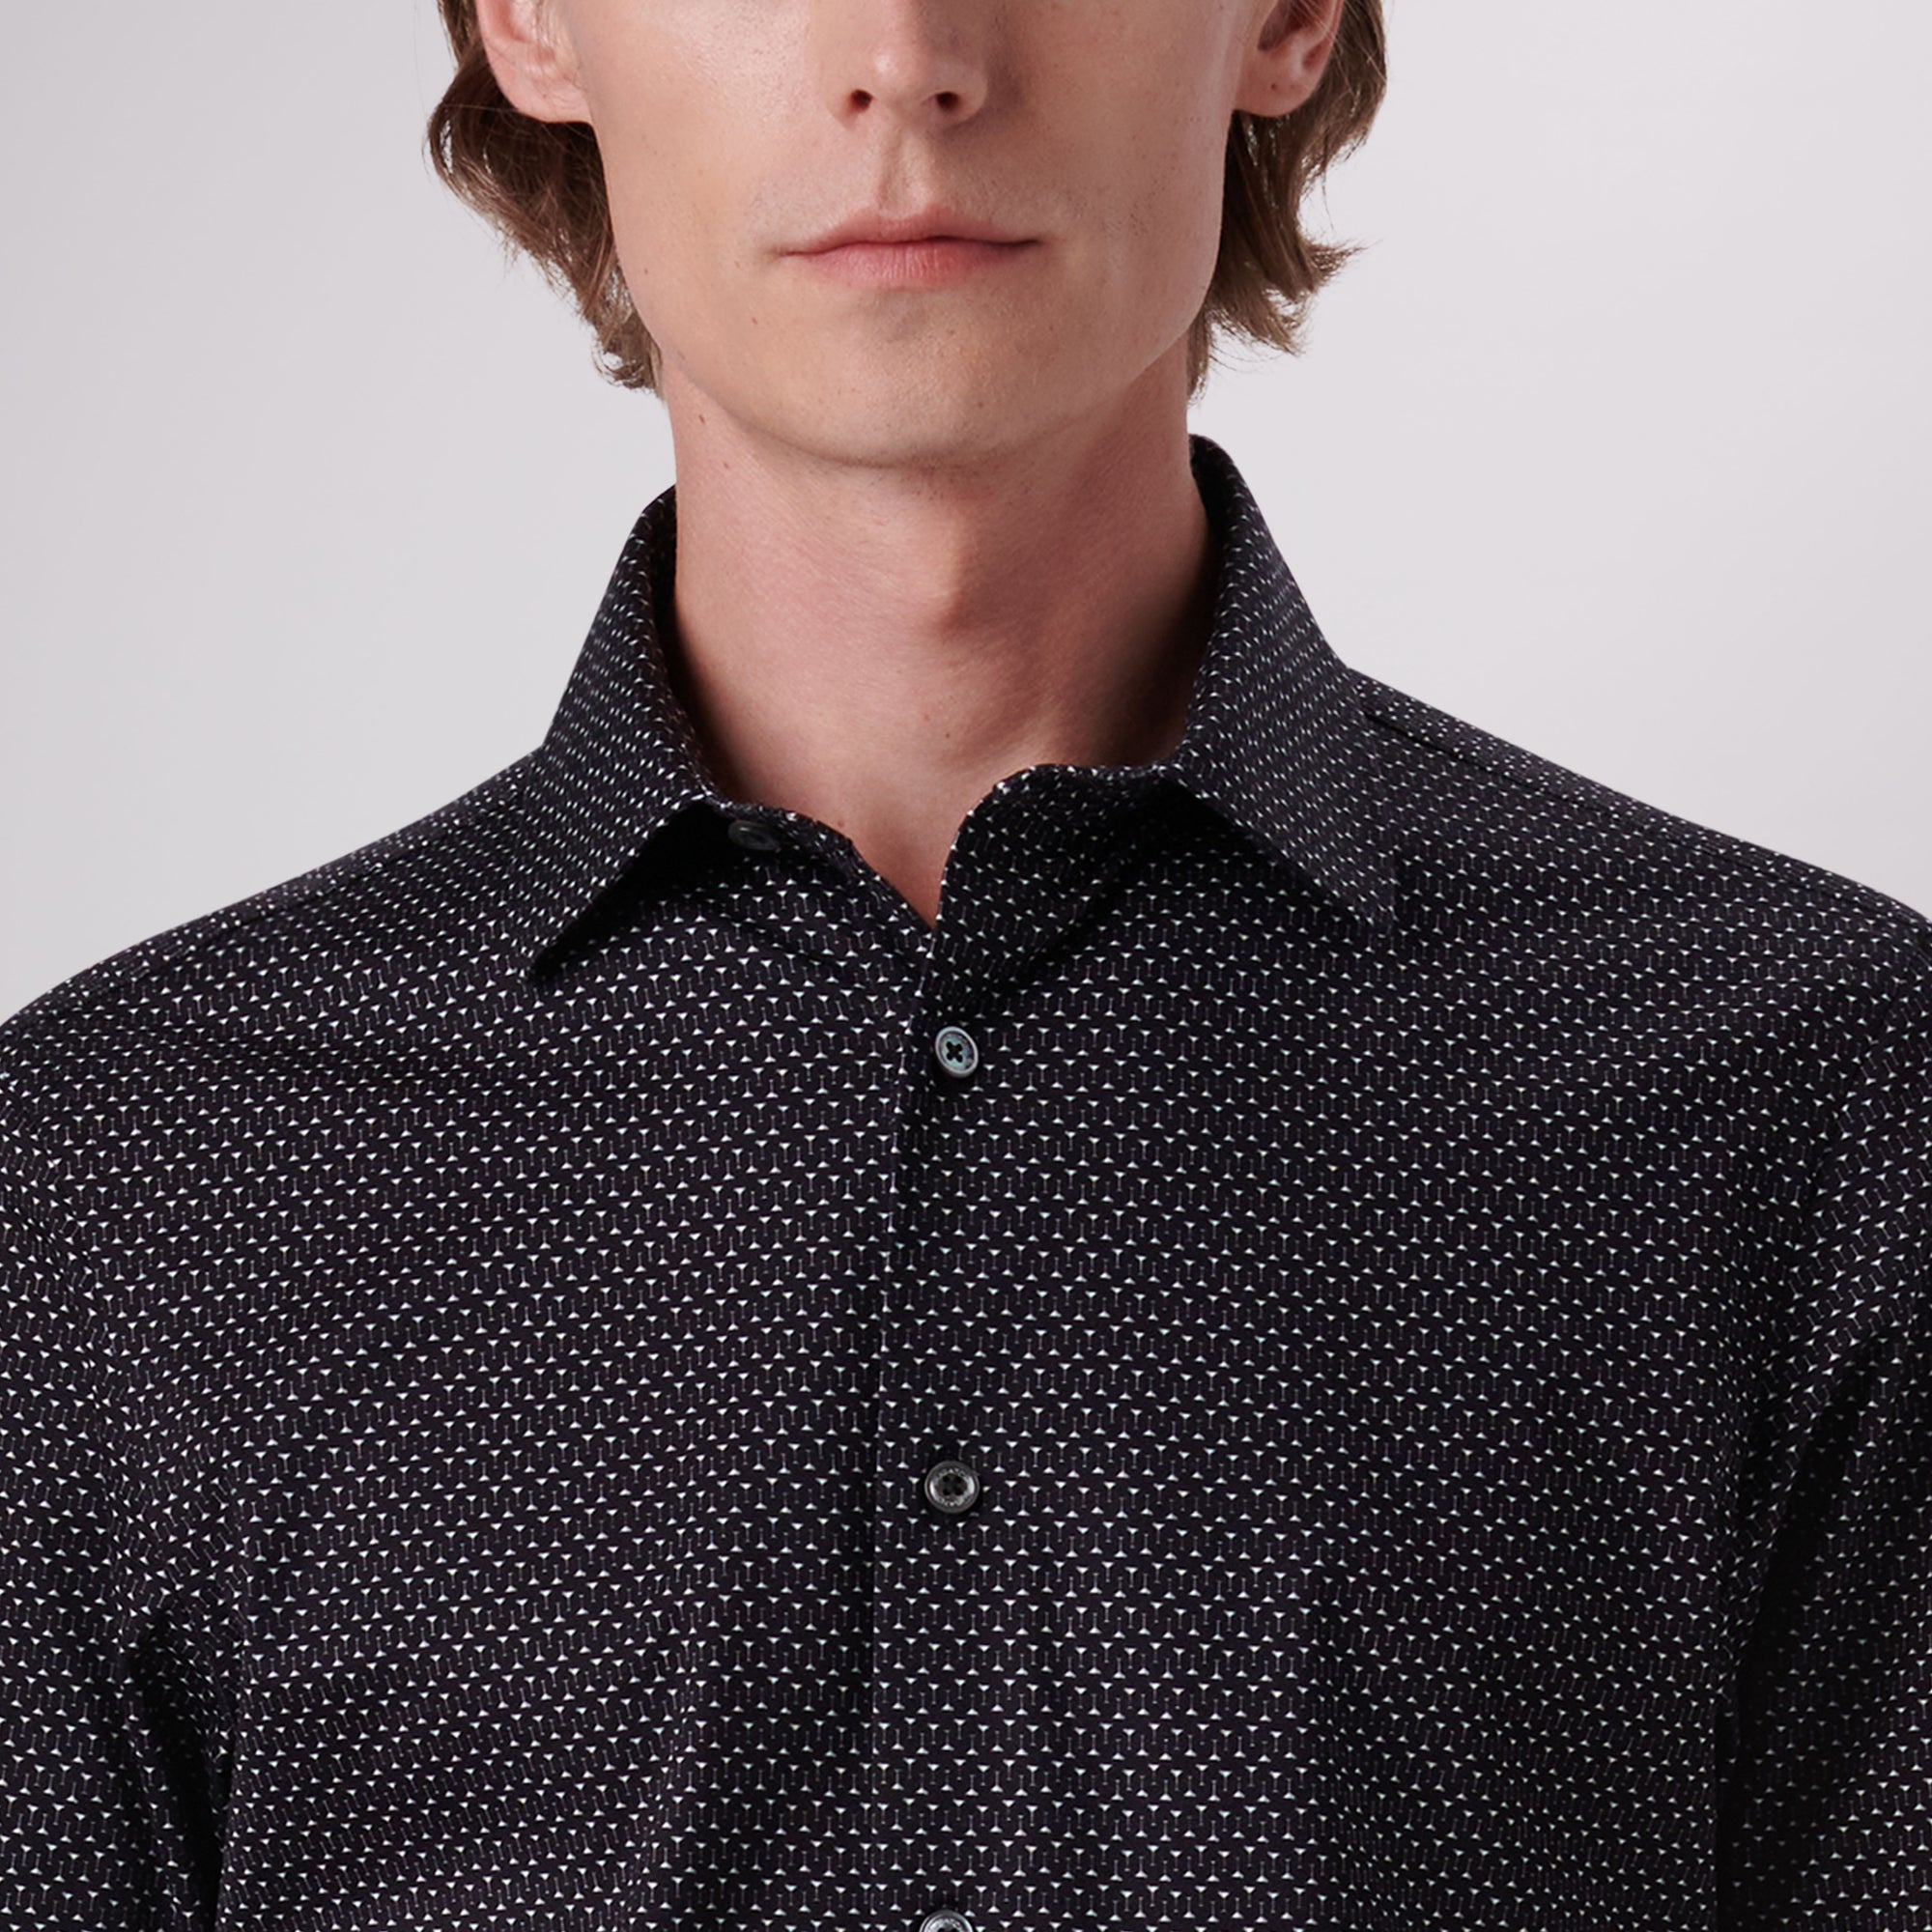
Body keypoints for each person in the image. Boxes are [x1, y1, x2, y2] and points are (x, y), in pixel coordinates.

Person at [2, 0, 1927, 1925]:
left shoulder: (1812, 1090)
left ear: (1283, 18)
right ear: (532, 22)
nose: (909, 56)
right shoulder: (117, 1172)